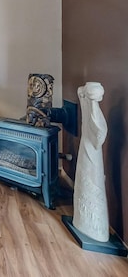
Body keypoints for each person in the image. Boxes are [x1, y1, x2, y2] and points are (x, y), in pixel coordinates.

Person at [73, 82, 109, 242]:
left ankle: (92, 226)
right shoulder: (88, 105)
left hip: (91, 153)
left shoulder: (96, 116)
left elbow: (99, 135)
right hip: (87, 149)